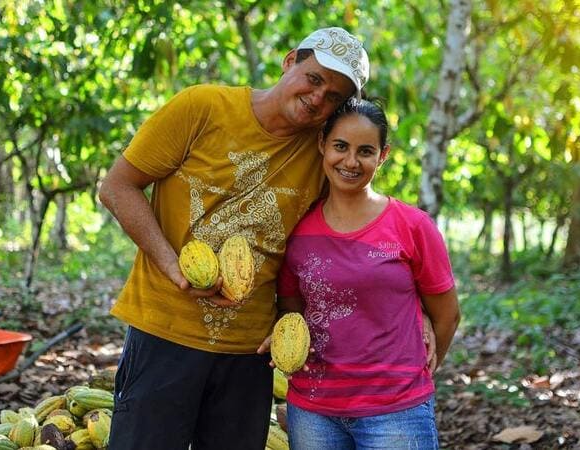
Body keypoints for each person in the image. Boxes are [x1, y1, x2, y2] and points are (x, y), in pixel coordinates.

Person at [98, 27, 370, 449]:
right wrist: (171, 264)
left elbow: (336, 239)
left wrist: (416, 310)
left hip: (249, 350)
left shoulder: (324, 152)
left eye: (333, 96)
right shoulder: (202, 107)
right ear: (290, 61)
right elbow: (117, 187)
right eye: (314, 79)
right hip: (166, 330)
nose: (318, 98)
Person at [263, 98, 460, 449]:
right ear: (322, 144)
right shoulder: (298, 231)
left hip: (396, 411)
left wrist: (421, 371)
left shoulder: (411, 226)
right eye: (340, 146)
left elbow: (447, 314)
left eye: (365, 151)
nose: (351, 162)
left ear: (382, 155)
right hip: (313, 410)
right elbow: (292, 313)